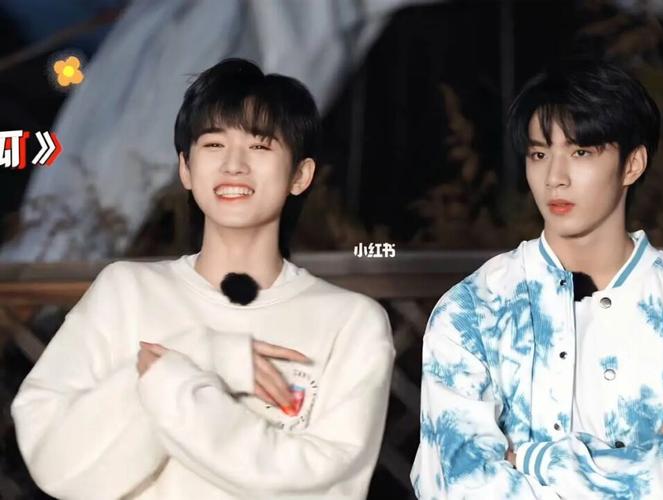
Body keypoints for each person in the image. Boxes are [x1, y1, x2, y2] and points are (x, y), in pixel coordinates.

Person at [12, 58, 395, 500]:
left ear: (299, 175)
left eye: (260, 146)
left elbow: (326, 487)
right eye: (213, 144)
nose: (233, 164)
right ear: (186, 169)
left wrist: (171, 381)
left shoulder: (351, 322)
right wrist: (203, 353)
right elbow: (57, 465)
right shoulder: (125, 292)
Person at [410, 58, 663, 499]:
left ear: (632, 164)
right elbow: (455, 485)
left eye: (580, 152)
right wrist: (649, 465)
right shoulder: (473, 308)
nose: (555, 178)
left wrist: (531, 459)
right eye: (539, 154)